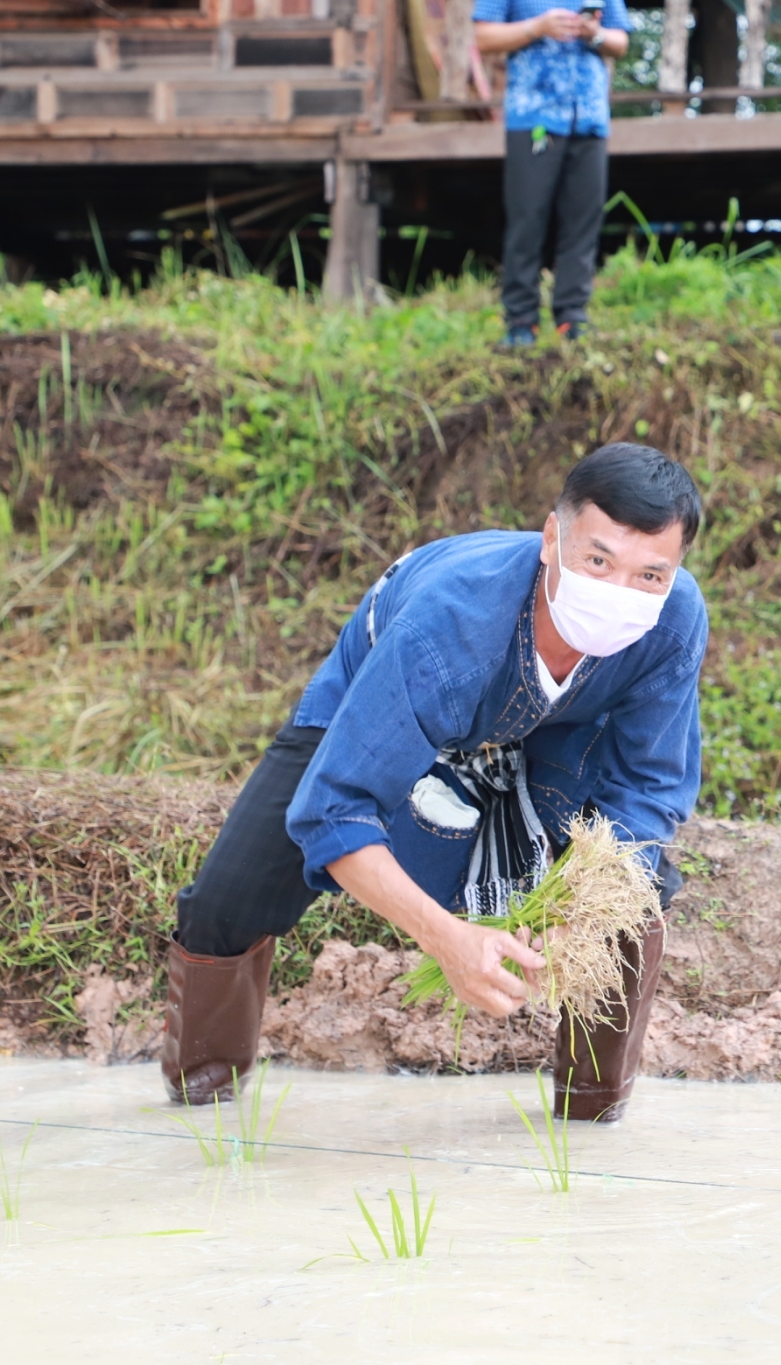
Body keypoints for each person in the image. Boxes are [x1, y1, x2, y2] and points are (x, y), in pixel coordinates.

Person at [160, 444, 705, 1123]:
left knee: (626, 886)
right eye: (598, 561)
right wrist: (448, 938)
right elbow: (333, 811)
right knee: (228, 899)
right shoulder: (446, 627)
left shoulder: (673, 619)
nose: (620, 591)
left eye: (650, 573)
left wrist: (581, 901)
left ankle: (592, 1119)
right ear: (550, 540)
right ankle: (197, 1108)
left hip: (560, 731)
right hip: (396, 693)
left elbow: (649, 785)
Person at [474, 0, 631, 348]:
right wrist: (538, 27)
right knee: (527, 218)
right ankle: (521, 321)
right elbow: (482, 37)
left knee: (583, 221)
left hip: (589, 116)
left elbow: (620, 42)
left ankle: (572, 317)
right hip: (533, 115)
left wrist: (596, 34)